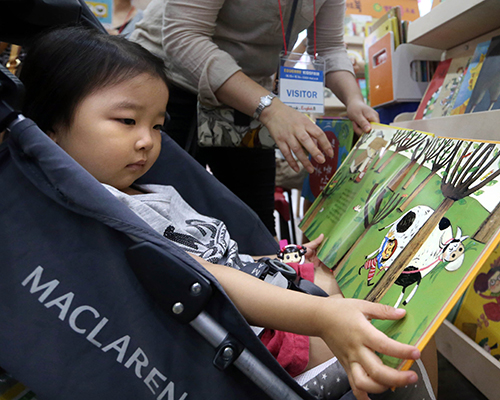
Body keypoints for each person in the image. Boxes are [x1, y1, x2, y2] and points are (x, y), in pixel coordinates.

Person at [20, 27, 421, 400]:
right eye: (127, 121)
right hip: (263, 340)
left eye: (158, 126)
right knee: (411, 329)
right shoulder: (112, 216)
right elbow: (205, 275)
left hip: (271, 293)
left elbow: (223, 257)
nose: (147, 141)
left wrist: (288, 259)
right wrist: (322, 315)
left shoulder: (152, 191)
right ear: (51, 131)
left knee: (368, 281)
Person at [129, 0, 379, 235]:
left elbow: (329, 47)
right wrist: (271, 109)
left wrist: (354, 99)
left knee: (256, 224)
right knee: (159, 217)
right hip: (170, 82)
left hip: (249, 98)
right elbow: (183, 36)